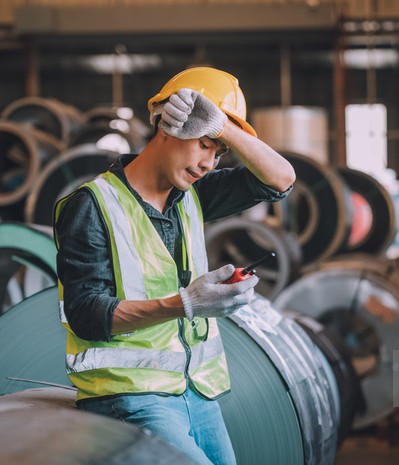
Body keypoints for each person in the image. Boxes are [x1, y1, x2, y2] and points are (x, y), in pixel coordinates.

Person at [53, 67, 296, 465]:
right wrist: (186, 303)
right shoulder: (91, 206)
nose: (208, 165)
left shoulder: (193, 196)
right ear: (167, 124)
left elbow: (280, 180)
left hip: (196, 394)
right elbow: (86, 315)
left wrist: (225, 129)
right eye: (204, 144)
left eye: (218, 154)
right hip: (128, 395)